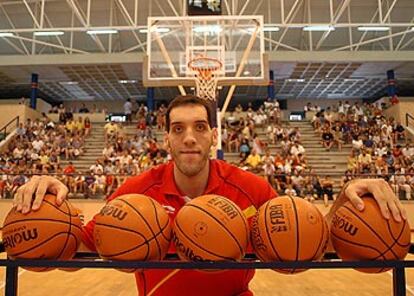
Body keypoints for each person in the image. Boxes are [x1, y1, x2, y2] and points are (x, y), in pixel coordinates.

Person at [14, 95, 406, 296]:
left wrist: (348, 201)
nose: (189, 137)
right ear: (165, 137)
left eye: (200, 127)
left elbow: (309, 240)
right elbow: (77, 251)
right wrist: (47, 209)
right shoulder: (136, 192)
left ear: (213, 136)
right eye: (179, 128)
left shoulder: (248, 187)